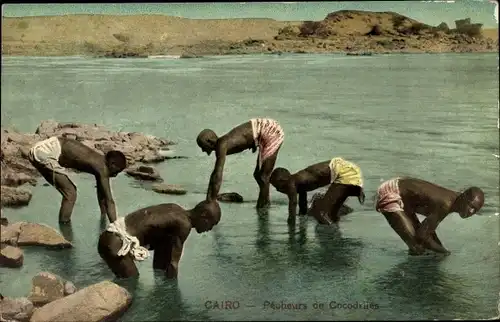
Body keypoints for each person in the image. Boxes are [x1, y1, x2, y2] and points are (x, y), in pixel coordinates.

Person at [97, 199, 221, 279]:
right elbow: (173, 265)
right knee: (132, 285)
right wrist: (172, 298)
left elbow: (162, 256)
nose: (210, 228)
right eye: (212, 224)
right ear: (204, 216)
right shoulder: (184, 225)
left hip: (109, 238)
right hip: (117, 244)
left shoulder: (175, 208)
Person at [27, 136, 127, 224]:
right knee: (70, 193)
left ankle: (64, 224)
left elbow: (103, 195)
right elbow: (110, 201)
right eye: (117, 171)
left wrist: (103, 216)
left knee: (69, 192)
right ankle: (64, 228)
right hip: (45, 153)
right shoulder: (102, 168)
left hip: (46, 146)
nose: (116, 175)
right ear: (112, 164)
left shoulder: (99, 162)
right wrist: (116, 228)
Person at [374, 177, 485, 256]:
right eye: (470, 206)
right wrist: (444, 252)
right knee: (418, 247)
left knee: (424, 248)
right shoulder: (446, 204)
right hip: (391, 191)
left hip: (402, 191)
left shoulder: (453, 201)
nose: (471, 211)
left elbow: (428, 230)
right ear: (463, 197)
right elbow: (422, 235)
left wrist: (440, 249)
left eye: (475, 210)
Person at [196, 118, 284, 209]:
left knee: (263, 177)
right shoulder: (224, 142)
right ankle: (264, 204)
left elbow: (217, 174)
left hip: (271, 131)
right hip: (263, 128)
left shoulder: (221, 145)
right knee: (258, 175)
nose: (203, 150)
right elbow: (245, 137)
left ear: (209, 141)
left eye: (202, 146)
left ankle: (264, 208)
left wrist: (210, 200)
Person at [271, 157, 365, 225]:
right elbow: (302, 204)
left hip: (345, 172)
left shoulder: (291, 183)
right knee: (328, 211)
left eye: (277, 186)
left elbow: (293, 204)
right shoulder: (298, 182)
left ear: (282, 181)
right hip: (346, 169)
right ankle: (354, 190)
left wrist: (291, 230)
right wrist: (302, 216)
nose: (278, 190)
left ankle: (332, 242)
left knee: (322, 214)